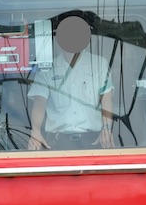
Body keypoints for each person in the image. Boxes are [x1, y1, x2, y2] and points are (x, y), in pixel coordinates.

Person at [27, 12, 114, 150]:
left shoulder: (99, 64)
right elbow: (39, 102)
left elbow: (106, 98)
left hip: (93, 141)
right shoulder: (47, 68)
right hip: (58, 143)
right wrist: (35, 130)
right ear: (58, 38)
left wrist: (107, 128)